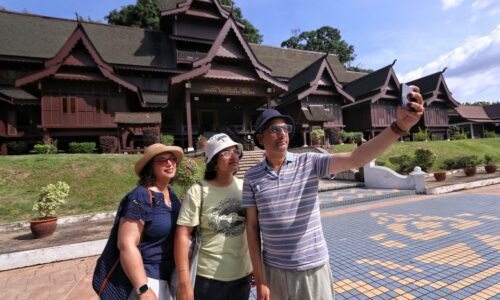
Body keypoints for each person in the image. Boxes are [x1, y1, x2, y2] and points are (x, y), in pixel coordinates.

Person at [243, 87, 425, 300]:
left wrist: (399, 126)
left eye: (285, 128)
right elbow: (252, 227)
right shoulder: (252, 177)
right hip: (273, 270)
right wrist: (260, 278)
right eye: (274, 129)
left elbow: (356, 158)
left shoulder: (309, 162)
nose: (282, 133)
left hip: (312, 267)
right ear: (260, 138)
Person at [175, 133, 253, 300]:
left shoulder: (245, 188)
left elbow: (253, 229)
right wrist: (184, 281)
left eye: (235, 151)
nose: (233, 155)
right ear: (213, 161)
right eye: (225, 152)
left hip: (242, 277)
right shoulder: (198, 191)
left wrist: (254, 266)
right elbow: (182, 235)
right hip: (208, 280)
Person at [117, 143, 184, 300]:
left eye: (172, 159)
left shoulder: (171, 194)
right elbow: (126, 244)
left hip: (170, 276)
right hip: (149, 277)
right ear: (150, 167)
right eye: (162, 160)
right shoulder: (141, 196)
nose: (169, 163)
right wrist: (143, 288)